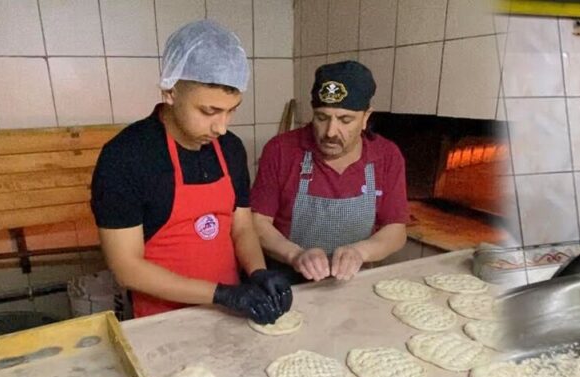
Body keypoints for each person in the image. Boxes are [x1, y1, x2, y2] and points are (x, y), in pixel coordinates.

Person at [91, 20, 291, 323]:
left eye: (232, 109)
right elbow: (127, 268)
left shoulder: (230, 149)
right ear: (170, 91)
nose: (221, 127)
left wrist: (258, 272)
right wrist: (220, 294)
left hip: (230, 314)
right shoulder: (125, 157)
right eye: (209, 111)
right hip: (161, 321)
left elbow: (242, 227)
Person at [251, 60, 408, 283]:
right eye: (322, 118)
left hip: (354, 282)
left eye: (345, 120)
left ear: (366, 117)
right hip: (288, 282)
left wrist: (361, 252)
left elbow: (395, 230)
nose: (330, 132)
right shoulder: (281, 150)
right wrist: (295, 254)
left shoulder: (386, 156)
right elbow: (257, 223)